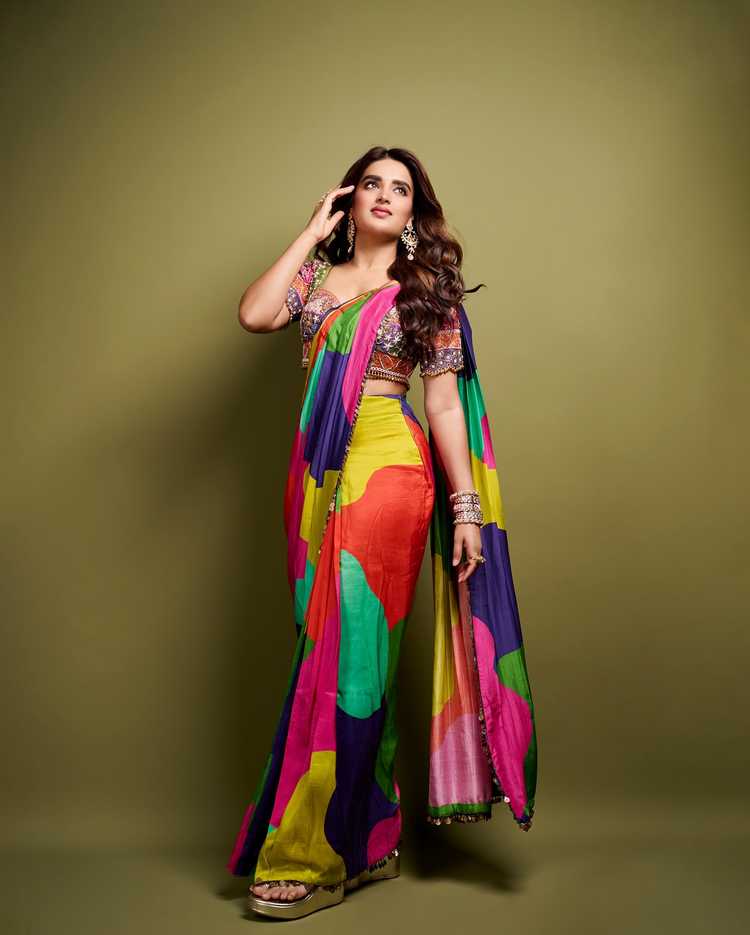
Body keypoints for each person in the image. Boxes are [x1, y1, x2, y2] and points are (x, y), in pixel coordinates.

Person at [227, 146, 537, 920]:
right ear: (350, 198)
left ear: (414, 212)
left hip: (388, 470)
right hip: (315, 475)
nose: (385, 195)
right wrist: (310, 232)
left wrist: (465, 507)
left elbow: (443, 404)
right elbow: (256, 314)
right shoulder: (315, 279)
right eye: (372, 183)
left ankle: (308, 853)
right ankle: (372, 837)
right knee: (342, 652)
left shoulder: (424, 289)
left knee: (345, 653)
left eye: (401, 189)